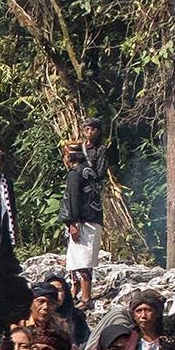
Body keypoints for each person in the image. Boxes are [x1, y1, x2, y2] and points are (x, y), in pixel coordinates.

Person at [61, 122, 108, 309]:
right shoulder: (88, 171)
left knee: (82, 261)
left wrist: (73, 222)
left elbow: (73, 199)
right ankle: (76, 292)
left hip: (84, 222)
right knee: (77, 259)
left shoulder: (74, 174)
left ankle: (86, 298)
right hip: (93, 219)